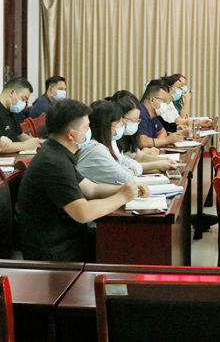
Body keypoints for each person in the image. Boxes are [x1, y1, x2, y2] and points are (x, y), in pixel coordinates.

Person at [16, 99, 149, 262]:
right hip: (55, 250)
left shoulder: (57, 152)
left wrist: (127, 189)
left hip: (69, 236)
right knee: (129, 246)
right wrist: (122, 197)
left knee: (128, 239)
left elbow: (91, 189)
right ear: (72, 135)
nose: (89, 132)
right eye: (86, 128)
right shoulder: (54, 163)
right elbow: (83, 213)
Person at [76, 100, 174, 184]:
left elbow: (126, 162)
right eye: (118, 122)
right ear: (105, 125)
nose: (122, 125)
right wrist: (130, 169)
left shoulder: (110, 142)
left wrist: (158, 164)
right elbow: (125, 177)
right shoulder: (95, 150)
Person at [111, 93, 180, 173]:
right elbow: (122, 169)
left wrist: (163, 160)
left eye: (137, 120)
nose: (135, 124)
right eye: (132, 120)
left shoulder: (128, 135)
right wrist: (157, 165)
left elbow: (137, 156)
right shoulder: (112, 138)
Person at [0, 77, 42, 152]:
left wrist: (36, 142)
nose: (24, 103)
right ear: (11, 93)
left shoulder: (13, 109)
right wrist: (25, 145)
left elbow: (19, 135)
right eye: (23, 99)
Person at [137, 79, 186, 149]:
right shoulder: (140, 114)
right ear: (152, 100)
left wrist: (157, 143)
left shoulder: (154, 114)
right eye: (164, 101)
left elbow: (163, 132)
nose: (166, 104)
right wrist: (166, 140)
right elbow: (142, 142)